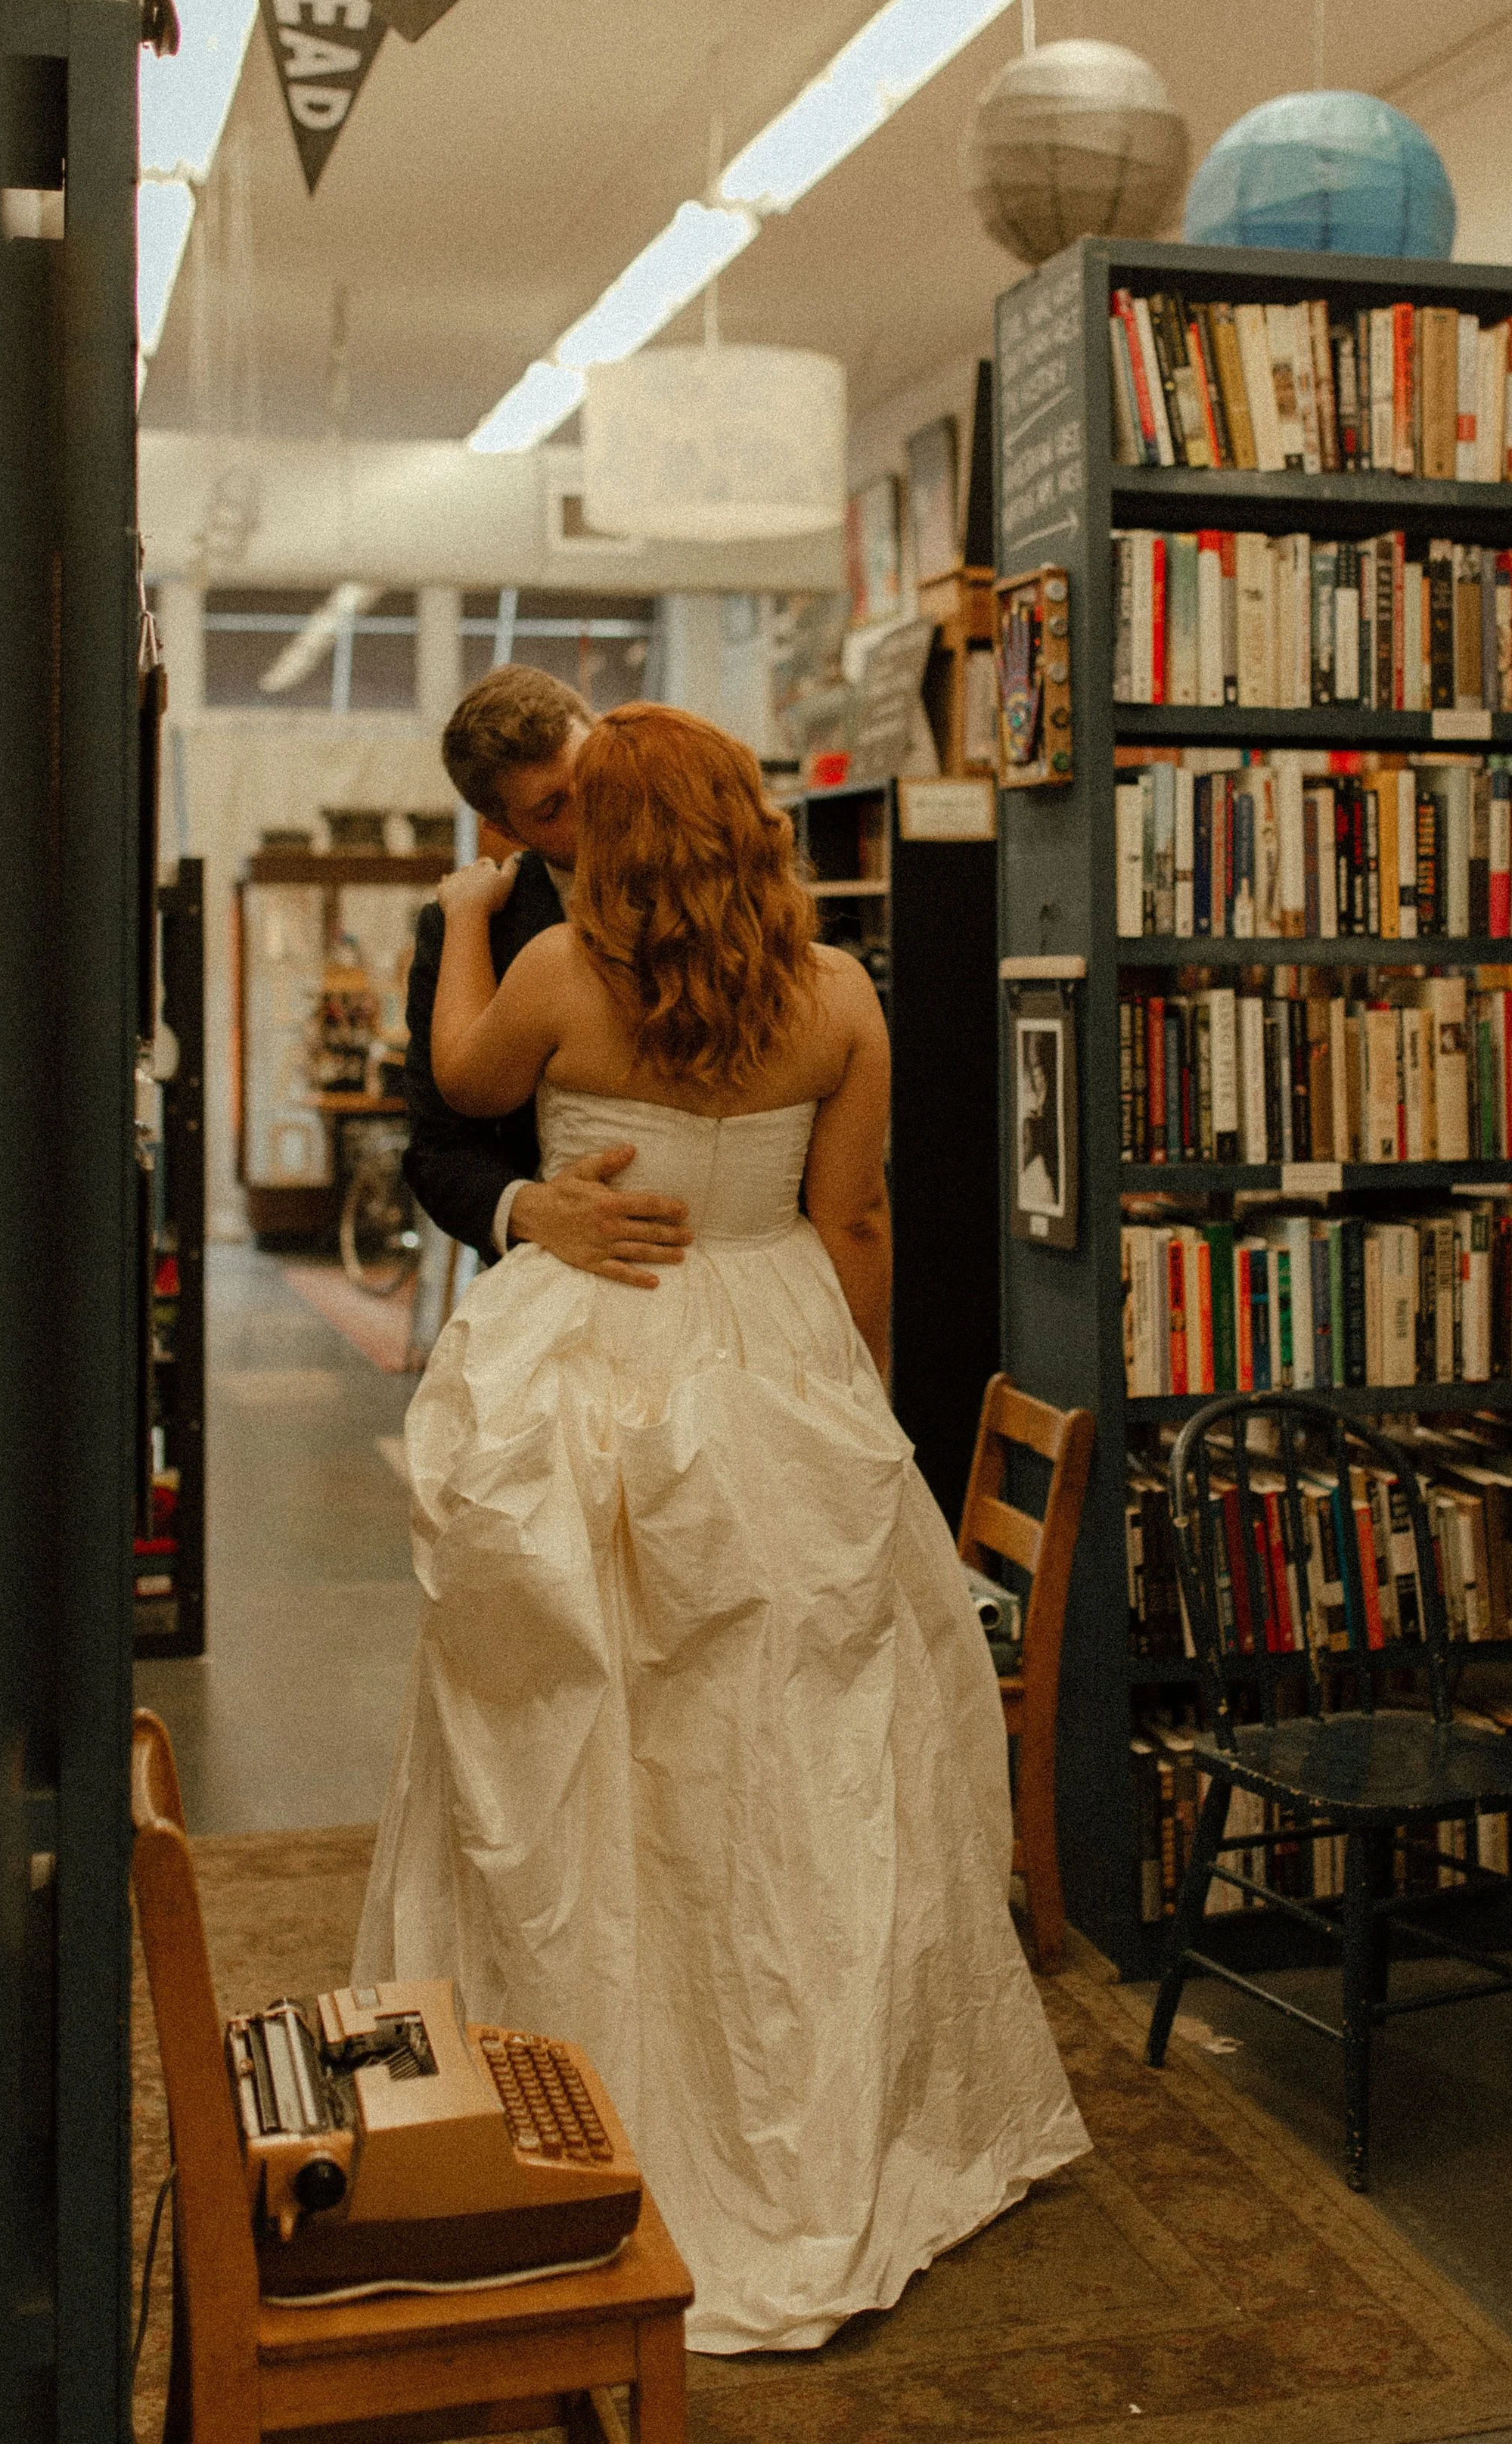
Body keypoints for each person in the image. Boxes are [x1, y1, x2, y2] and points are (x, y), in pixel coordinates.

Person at [355, 702, 1088, 2353]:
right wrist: (864, 1422)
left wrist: (470, 918)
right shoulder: (839, 997)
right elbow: (853, 1219)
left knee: (580, 1723)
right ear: (752, 826)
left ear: (599, 834)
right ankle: (811, 2107)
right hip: (769, 1354)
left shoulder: (549, 977)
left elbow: (455, 1079)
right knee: (790, 1744)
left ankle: (564, 2093)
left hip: (591, 1368)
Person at [402, 664, 695, 1285]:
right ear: (507, 830)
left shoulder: (726, 881)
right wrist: (535, 1210)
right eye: (552, 807)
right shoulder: (474, 929)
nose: (592, 806)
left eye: (591, 771)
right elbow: (438, 1150)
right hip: (558, 1275)